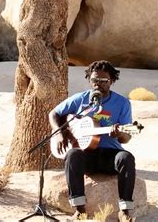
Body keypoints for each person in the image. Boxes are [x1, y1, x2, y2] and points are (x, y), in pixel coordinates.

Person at [48, 60, 136, 221]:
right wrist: (59, 131)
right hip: (86, 155)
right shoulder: (80, 99)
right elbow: (54, 113)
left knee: (126, 157)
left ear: (112, 81)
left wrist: (119, 134)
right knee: (73, 154)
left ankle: (125, 210)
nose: (98, 85)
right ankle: (80, 210)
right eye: (95, 80)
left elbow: (127, 137)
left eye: (104, 81)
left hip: (110, 155)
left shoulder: (122, 103)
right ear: (89, 79)